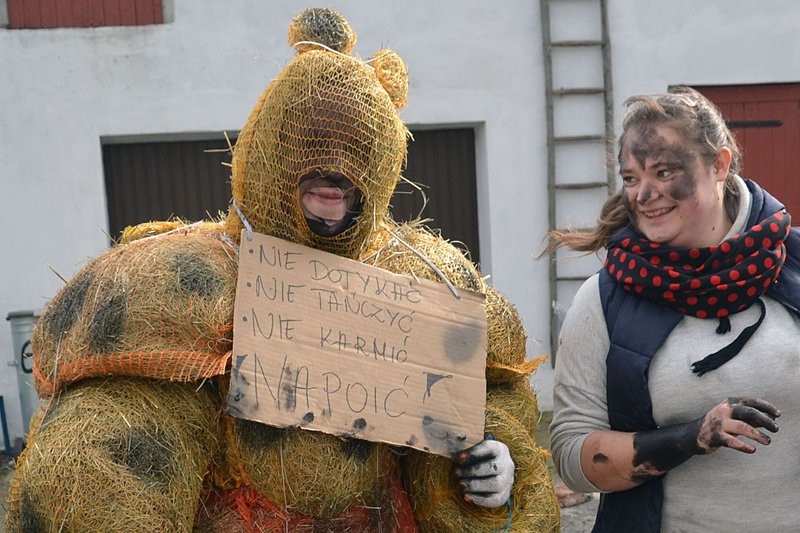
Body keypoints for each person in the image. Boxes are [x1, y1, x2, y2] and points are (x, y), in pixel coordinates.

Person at [548, 86, 800, 532]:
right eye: (630, 179)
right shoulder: (604, 300)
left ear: (719, 165)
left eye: (664, 172)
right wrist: (690, 437)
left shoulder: (793, 264)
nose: (644, 195)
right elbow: (571, 455)